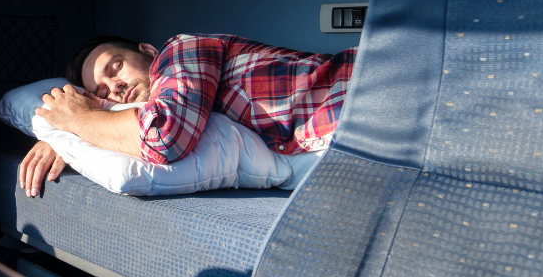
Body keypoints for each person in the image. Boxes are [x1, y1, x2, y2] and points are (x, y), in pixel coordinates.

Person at [19, 34, 357, 197]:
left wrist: (76, 121)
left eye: (116, 67)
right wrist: (67, 138)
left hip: (362, 94)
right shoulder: (149, 106)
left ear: (147, 51)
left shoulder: (182, 49)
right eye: (104, 91)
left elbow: (164, 138)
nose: (116, 86)